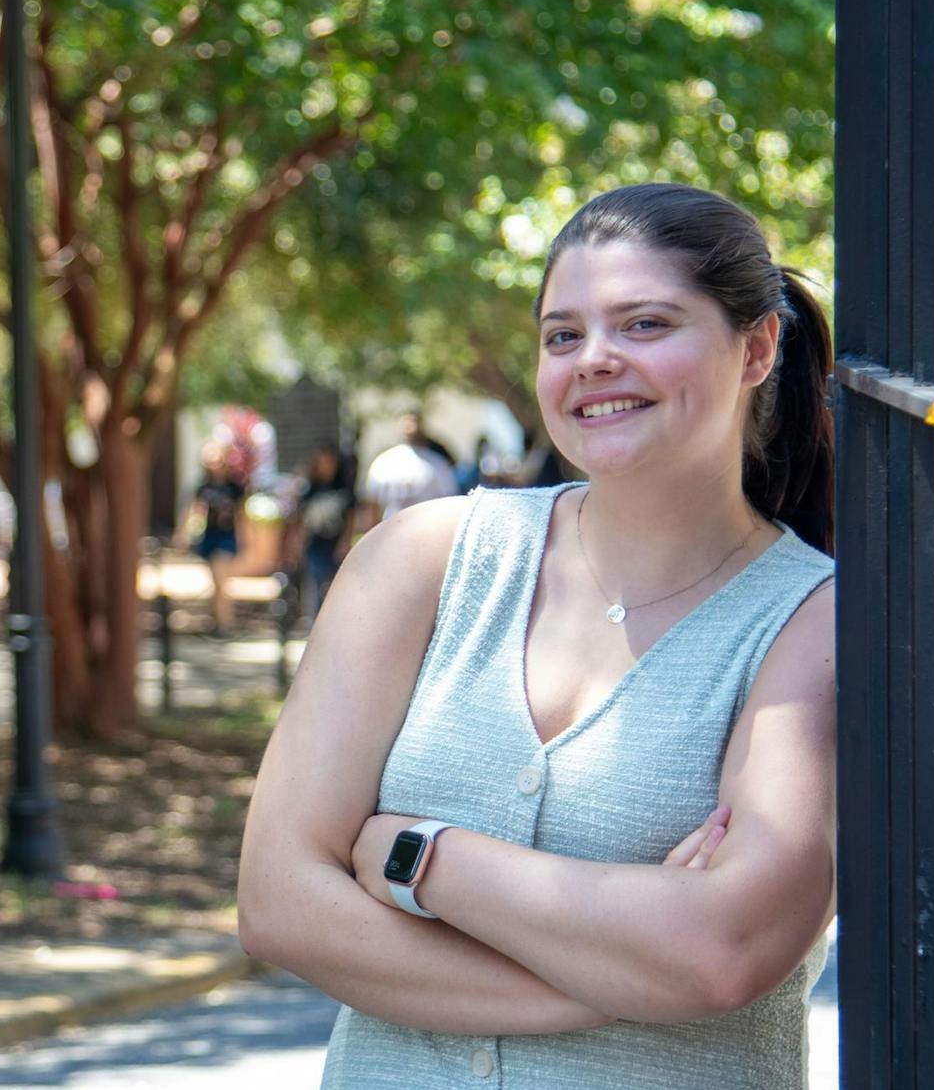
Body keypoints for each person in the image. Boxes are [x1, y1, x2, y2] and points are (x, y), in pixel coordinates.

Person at [238, 183, 836, 1088]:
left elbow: (724, 948)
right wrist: (622, 973)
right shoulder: (419, 563)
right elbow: (280, 903)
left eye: (644, 324)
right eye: (564, 335)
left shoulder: (814, 617)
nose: (594, 359)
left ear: (756, 347)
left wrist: (421, 855)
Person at [289, 441, 357, 624]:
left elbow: (351, 517)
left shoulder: (344, 488)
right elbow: (301, 519)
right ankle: (316, 623)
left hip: (336, 543)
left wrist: (345, 542)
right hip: (316, 543)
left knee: (337, 585)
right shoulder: (309, 488)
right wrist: (297, 544)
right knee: (315, 583)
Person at [182, 440, 245, 635]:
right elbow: (194, 510)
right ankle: (218, 619)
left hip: (227, 536)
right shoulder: (203, 487)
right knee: (216, 581)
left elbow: (242, 515)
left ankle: (224, 624)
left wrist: (245, 539)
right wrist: (184, 533)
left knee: (220, 576)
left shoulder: (234, 487)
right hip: (209, 536)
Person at [357, 411, 460, 528]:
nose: (410, 426)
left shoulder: (436, 463)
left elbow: (449, 502)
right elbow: (372, 506)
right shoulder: (383, 462)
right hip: (391, 533)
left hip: (427, 531)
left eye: (413, 422)